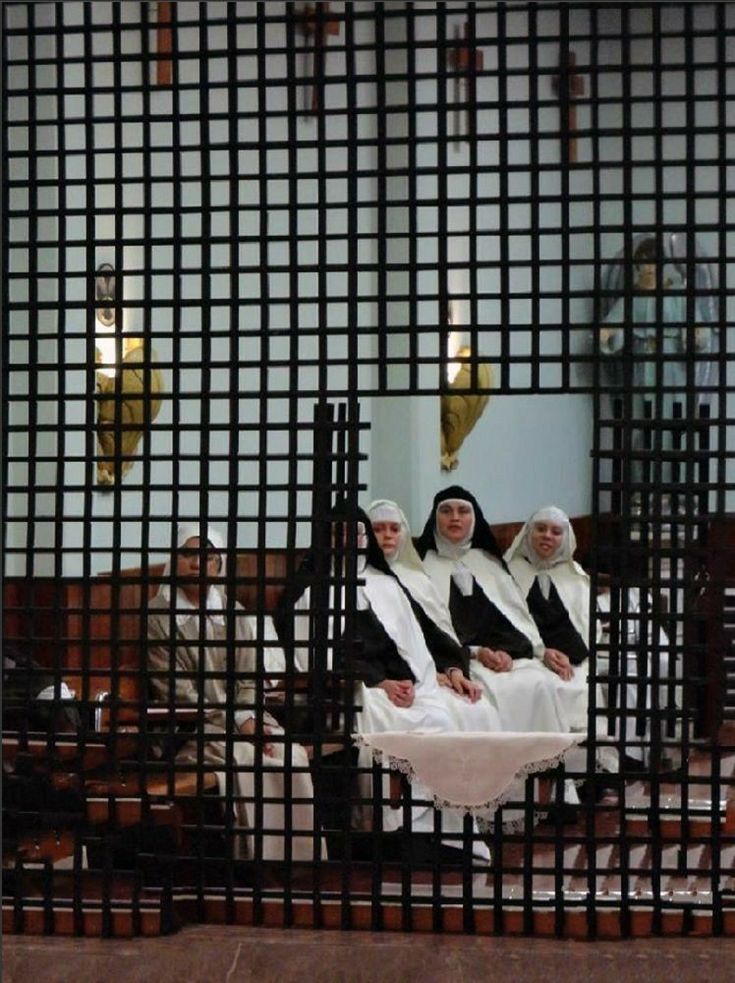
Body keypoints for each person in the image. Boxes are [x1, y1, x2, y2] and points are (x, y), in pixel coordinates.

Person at [283, 502, 491, 857]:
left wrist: (416, 682)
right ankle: (390, 830)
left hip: (400, 685)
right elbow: (315, 657)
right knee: (382, 718)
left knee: (440, 716)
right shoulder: (313, 592)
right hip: (354, 689)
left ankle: (432, 827)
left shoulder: (386, 585)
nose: (351, 541)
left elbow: (413, 646)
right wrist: (380, 684)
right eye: (340, 535)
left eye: (357, 534)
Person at [147, 522, 322, 865]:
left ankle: (298, 857)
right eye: (189, 554)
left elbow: (247, 678)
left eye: (209, 556)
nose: (198, 563)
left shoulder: (234, 612)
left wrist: (247, 719)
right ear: (176, 558)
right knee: (247, 758)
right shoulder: (158, 617)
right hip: (190, 730)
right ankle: (257, 860)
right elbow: (177, 690)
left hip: (243, 720)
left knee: (290, 755)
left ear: (219, 564)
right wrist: (238, 725)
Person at [413, 487, 572, 736]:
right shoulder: (422, 569)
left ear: (473, 518)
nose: (455, 517)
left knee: (539, 683)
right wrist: (477, 654)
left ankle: (539, 770)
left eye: (463, 511)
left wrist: (533, 650)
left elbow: (514, 616)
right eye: (446, 511)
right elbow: (429, 633)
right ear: (435, 517)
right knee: (490, 693)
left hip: (502, 658)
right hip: (461, 661)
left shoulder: (488, 563)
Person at [367, 498, 503, 734]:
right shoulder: (364, 580)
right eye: (377, 529)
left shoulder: (414, 578)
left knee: (478, 708)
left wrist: (453, 670)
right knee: (450, 715)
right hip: (397, 678)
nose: (387, 536)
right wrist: (422, 673)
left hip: (427, 673)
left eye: (394, 529)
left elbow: (435, 632)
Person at [503, 506, 592, 736]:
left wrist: (569, 656)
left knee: (582, 685)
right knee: (537, 686)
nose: (547, 536)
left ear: (565, 538)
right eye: (540, 529)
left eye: (555, 531)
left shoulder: (576, 577)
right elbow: (503, 623)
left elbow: (585, 625)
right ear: (528, 533)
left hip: (572, 656)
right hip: (525, 655)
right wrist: (541, 652)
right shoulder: (508, 572)